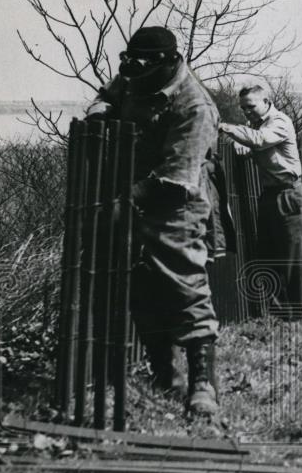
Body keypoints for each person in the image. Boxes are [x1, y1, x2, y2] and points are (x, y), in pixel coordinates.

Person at [86, 26, 224, 418]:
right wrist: (100, 112)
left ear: (167, 64)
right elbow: (109, 93)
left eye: (141, 68)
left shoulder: (194, 105)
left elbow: (177, 174)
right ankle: (164, 372)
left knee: (185, 286)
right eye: (128, 66)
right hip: (131, 193)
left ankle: (202, 383)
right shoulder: (135, 74)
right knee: (140, 286)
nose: (132, 75)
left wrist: (125, 200)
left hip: (176, 202)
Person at [220, 85, 302, 320]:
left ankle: (299, 314)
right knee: (270, 254)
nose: (246, 112)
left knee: (292, 256)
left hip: (288, 194)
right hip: (271, 194)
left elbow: (261, 141)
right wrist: (243, 146)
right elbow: (261, 148)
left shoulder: (279, 121)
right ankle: (281, 312)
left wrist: (227, 128)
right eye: (243, 108)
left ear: (266, 101)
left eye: (250, 106)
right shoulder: (256, 126)